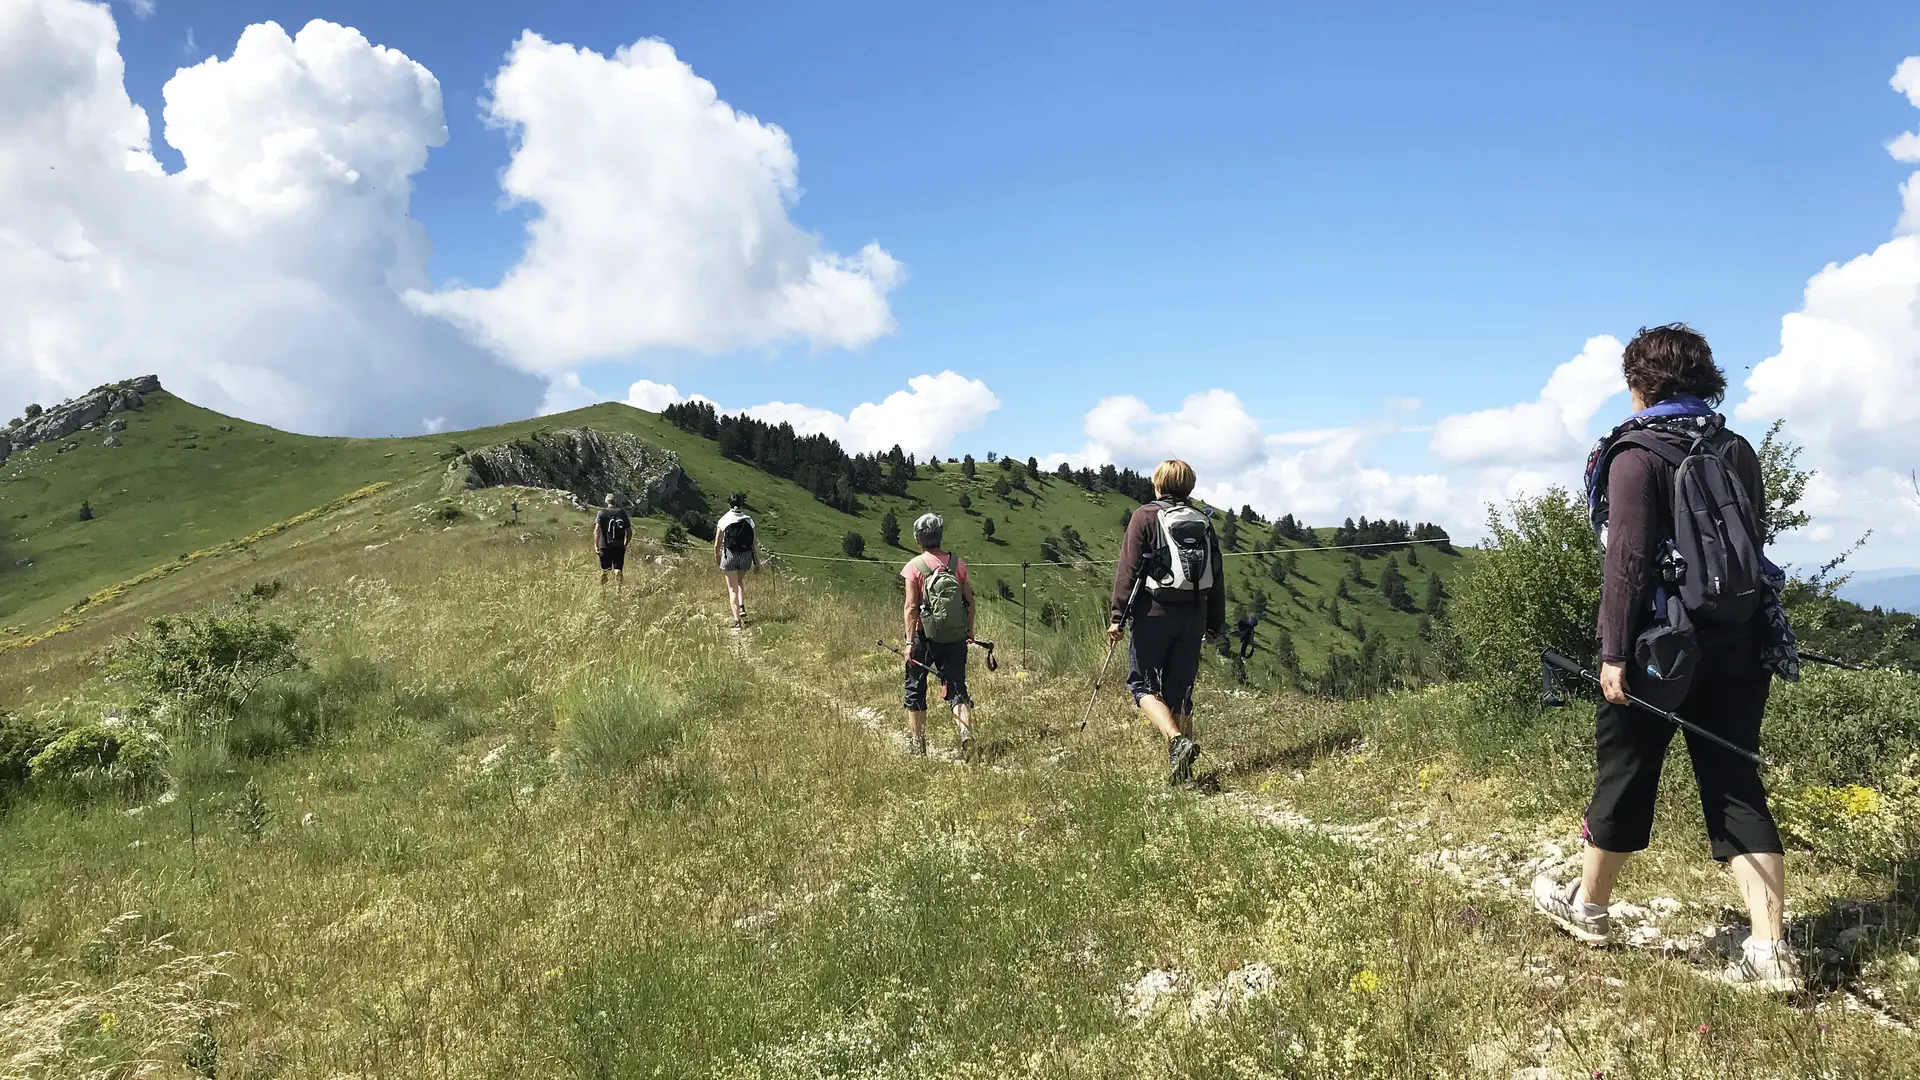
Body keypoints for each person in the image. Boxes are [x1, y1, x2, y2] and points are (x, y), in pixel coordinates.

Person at [1531, 324, 1799, 994]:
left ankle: (1590, 909)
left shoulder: (1636, 454)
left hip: (1658, 648)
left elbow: (1625, 564)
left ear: (1638, 384)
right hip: (1739, 637)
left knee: (1625, 773)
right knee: (1736, 783)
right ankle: (1771, 951)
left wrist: (1613, 654)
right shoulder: (1734, 448)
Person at [1108, 459, 1225, 784]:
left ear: (1158, 484)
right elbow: (1216, 577)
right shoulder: (1203, 520)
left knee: (1142, 685)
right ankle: (1183, 774)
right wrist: (1216, 625)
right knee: (1181, 692)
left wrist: (1118, 617)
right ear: (1190, 486)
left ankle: (1177, 742)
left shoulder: (1145, 516)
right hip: (1194, 616)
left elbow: (1127, 571)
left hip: (1153, 615)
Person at [901, 512, 975, 759]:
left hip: (925, 637)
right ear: (940, 536)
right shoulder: (958, 564)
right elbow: (969, 601)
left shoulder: (914, 567)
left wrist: (910, 642)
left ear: (917, 539)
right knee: (957, 688)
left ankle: (917, 744)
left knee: (916, 687)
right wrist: (969, 630)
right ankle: (965, 733)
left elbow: (911, 607)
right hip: (954, 637)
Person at [713, 494, 759, 627]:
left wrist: (717, 557)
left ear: (729, 504)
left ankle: (737, 619)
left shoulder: (724, 520)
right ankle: (742, 606)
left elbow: (717, 544)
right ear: (742, 505)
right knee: (739, 581)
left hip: (730, 555)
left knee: (732, 588)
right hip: (746, 556)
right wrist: (757, 563)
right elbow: (754, 543)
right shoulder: (749, 520)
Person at [593, 494, 631, 588]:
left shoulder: (601, 513)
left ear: (606, 502)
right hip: (619, 545)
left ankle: (603, 590)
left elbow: (597, 529)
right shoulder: (621, 513)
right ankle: (618, 590)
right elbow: (629, 531)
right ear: (615, 502)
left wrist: (596, 545)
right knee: (618, 568)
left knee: (605, 569)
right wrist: (625, 544)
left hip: (604, 545)